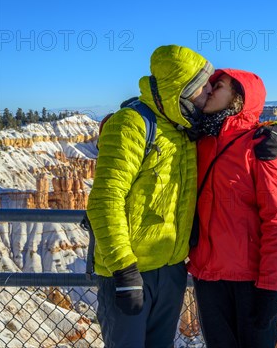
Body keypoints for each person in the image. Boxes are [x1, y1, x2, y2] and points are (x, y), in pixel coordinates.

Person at [87, 44, 213, 347]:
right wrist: (124, 271)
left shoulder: (183, 130)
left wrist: (275, 129)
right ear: (182, 90)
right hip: (129, 273)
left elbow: (241, 122)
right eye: (203, 84)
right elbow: (105, 200)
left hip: (170, 271)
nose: (210, 90)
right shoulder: (130, 123)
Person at [188, 69, 277, 348]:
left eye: (217, 86)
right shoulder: (200, 139)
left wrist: (269, 289)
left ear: (238, 97)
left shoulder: (259, 145)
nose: (208, 91)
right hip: (207, 277)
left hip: (249, 281)